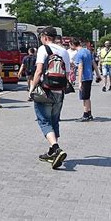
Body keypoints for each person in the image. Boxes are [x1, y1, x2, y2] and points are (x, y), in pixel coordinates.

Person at [29, 26, 70, 169]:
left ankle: (56, 148)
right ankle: (52, 152)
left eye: (41, 37)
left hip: (45, 91)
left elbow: (39, 71)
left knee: (44, 121)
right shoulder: (64, 51)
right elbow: (68, 73)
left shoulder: (43, 49)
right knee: (54, 121)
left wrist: (32, 88)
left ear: (45, 37)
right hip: (60, 91)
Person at [74, 40, 102, 122]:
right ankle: (89, 113)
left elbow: (80, 67)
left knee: (84, 97)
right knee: (88, 96)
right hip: (90, 76)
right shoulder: (88, 51)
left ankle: (85, 114)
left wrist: (79, 82)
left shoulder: (79, 54)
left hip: (84, 77)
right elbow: (94, 64)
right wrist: (98, 75)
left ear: (72, 44)